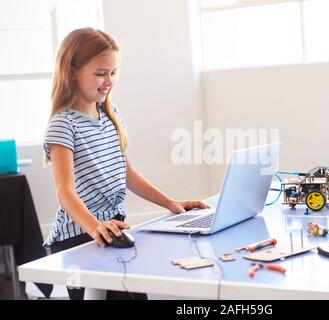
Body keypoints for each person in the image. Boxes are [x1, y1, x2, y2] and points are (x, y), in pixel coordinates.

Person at [43, 27, 208, 300]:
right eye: (100, 73)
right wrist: (95, 226)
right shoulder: (63, 125)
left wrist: (171, 204)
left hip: (114, 227)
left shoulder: (110, 114)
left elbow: (127, 174)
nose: (108, 81)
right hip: (81, 234)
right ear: (72, 71)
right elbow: (65, 192)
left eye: (113, 72)